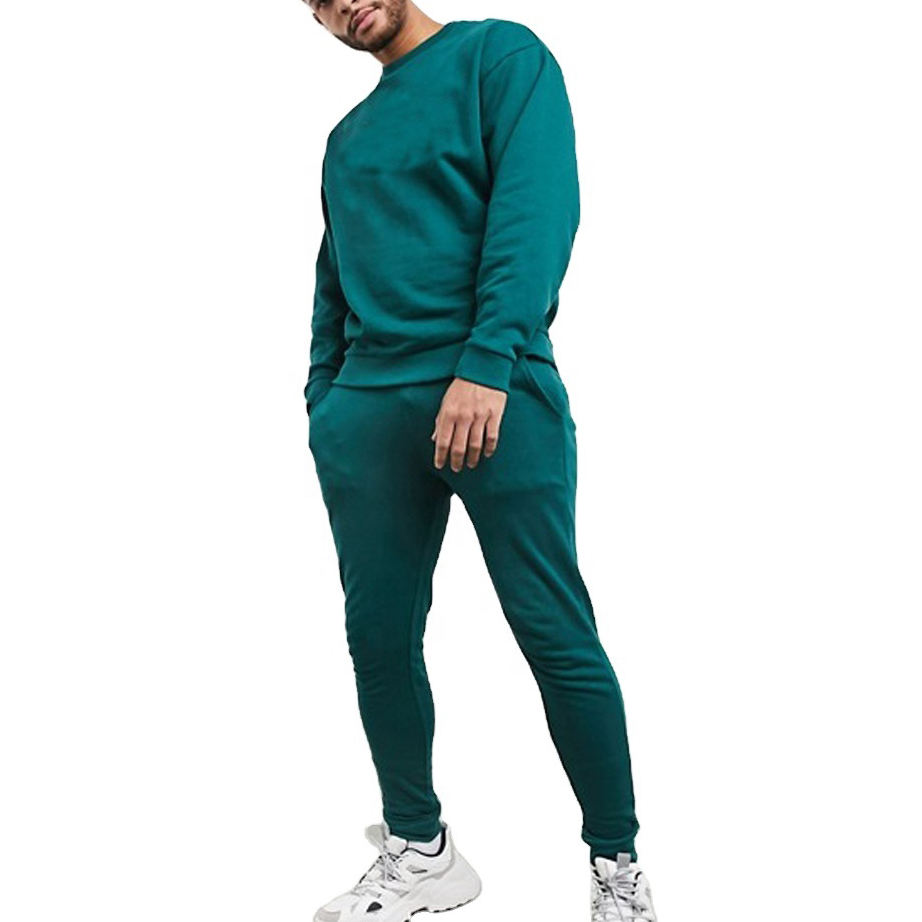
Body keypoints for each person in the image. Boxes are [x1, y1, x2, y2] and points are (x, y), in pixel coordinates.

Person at [302, 3, 658, 920]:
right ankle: (421, 849)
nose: (342, 2)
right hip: (368, 415)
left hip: (496, 394)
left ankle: (616, 865)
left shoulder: (499, 56)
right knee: (378, 637)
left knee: (552, 627)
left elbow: (536, 210)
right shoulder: (345, 140)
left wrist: (489, 361)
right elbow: (334, 279)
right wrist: (325, 405)